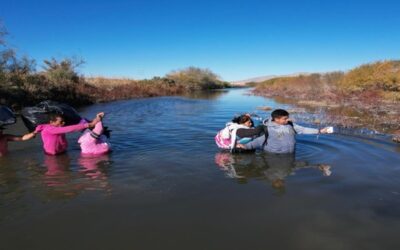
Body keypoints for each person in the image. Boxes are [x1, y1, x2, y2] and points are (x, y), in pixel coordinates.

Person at [237, 109, 333, 154]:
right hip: (273, 156)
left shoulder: (290, 124)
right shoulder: (267, 128)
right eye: (285, 119)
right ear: (276, 119)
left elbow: (303, 129)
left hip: (291, 154)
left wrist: (320, 131)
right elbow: (259, 140)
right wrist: (246, 146)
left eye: (287, 118)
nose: (287, 120)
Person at [23, 112, 104, 155]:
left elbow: (77, 124)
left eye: (63, 121)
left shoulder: (57, 127)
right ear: (52, 122)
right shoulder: (50, 129)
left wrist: (96, 119)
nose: (63, 123)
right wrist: (90, 124)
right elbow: (70, 129)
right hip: (52, 155)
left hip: (62, 152)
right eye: (61, 122)